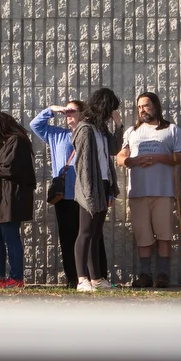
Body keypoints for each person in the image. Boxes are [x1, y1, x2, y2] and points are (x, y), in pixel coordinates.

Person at [117, 92, 181, 288]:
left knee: (164, 234)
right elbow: (120, 156)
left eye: (146, 106)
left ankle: (163, 275)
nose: (142, 110)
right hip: (138, 192)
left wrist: (158, 158)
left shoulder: (171, 130)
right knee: (143, 236)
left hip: (164, 192)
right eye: (139, 107)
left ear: (156, 106)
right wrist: (130, 161)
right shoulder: (132, 131)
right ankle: (144, 275)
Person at [0, 112, 36, 288]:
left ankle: (16, 278)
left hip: (11, 197)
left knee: (10, 236)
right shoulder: (6, 143)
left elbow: (10, 168)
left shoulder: (18, 141)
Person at [72, 88, 121, 292]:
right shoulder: (85, 129)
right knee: (85, 231)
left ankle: (97, 278)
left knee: (96, 233)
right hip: (89, 185)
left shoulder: (100, 129)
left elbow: (114, 149)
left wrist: (119, 125)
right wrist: (88, 192)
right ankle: (82, 278)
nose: (111, 114)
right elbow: (82, 165)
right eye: (110, 110)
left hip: (102, 184)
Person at [30, 100, 82, 288]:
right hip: (64, 195)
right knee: (67, 238)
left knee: (89, 236)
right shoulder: (57, 135)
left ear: (82, 114)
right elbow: (35, 125)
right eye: (66, 111)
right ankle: (73, 278)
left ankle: (93, 276)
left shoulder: (89, 134)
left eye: (72, 111)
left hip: (85, 195)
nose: (68, 114)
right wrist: (52, 110)